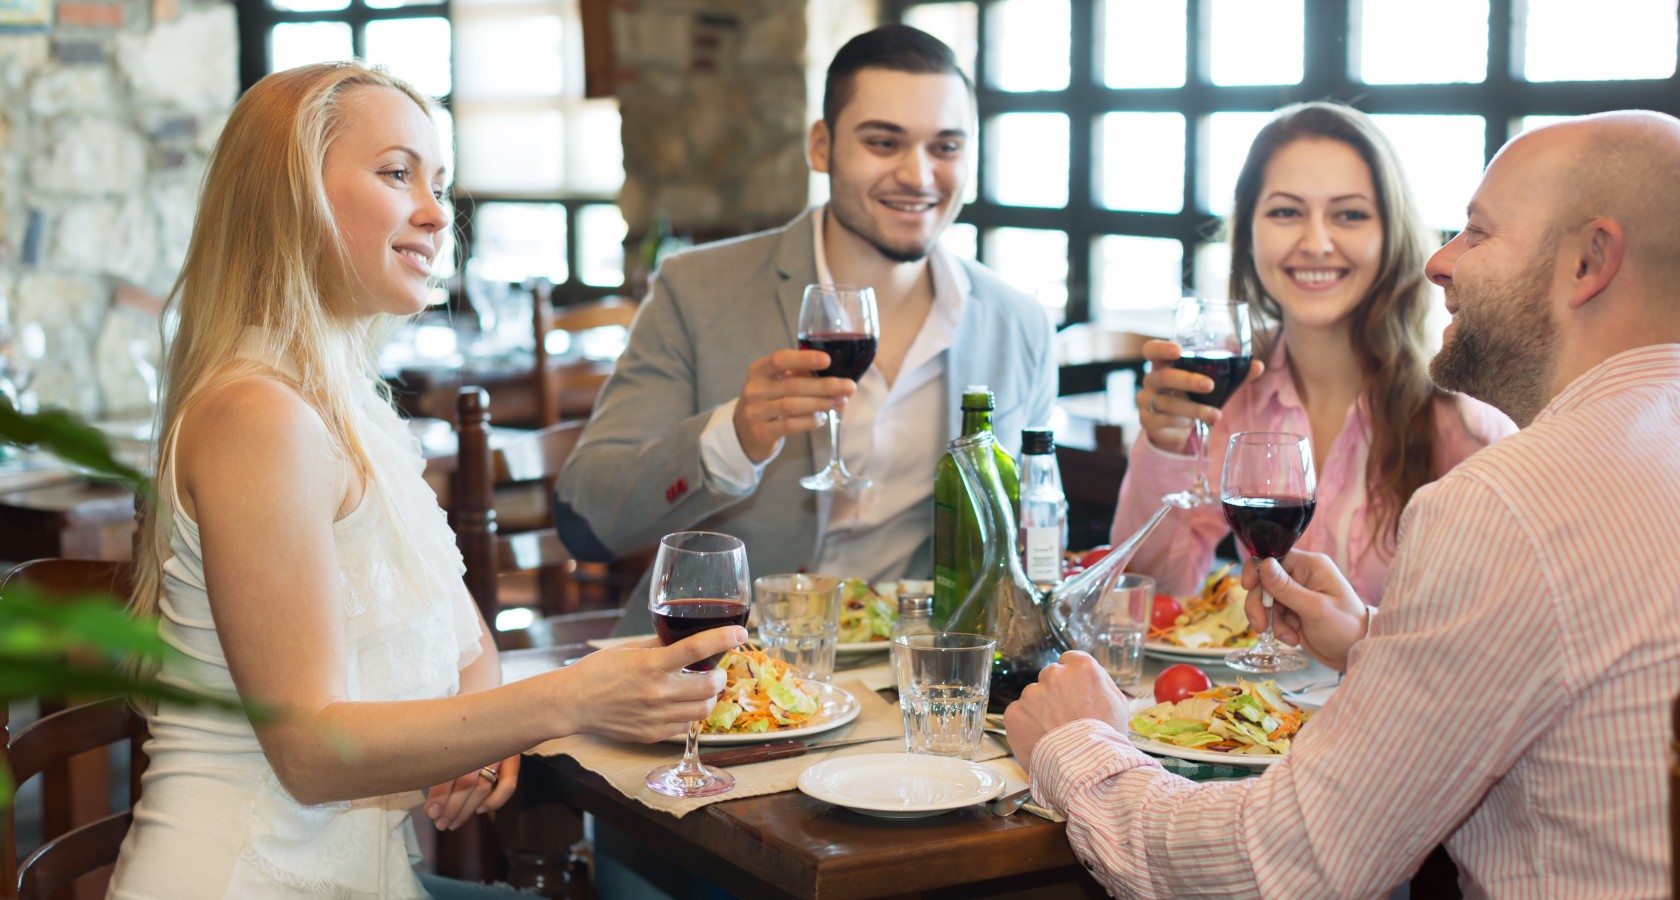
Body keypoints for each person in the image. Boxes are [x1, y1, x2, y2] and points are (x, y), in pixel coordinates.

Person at [108, 62, 744, 899]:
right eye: (396, 173)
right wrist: (567, 700)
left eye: (439, 183)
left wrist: (484, 731)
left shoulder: (349, 407)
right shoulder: (258, 417)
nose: (437, 215)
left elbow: (466, 640)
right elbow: (308, 752)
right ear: (289, 196)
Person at [1005, 110, 1680, 897]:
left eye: (1477, 232)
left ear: (1589, 261)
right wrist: (1370, 640)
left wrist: (1081, 746)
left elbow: (1283, 869)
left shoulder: (1503, 497)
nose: (1439, 260)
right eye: (1286, 210)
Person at [554, 24, 1056, 635]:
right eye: (883, 142)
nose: (919, 175)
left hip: (923, 683)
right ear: (821, 147)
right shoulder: (696, 289)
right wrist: (731, 438)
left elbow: (1034, 541)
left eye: (946, 147)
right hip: (723, 677)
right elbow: (587, 520)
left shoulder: (1020, 325)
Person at [1110, 102, 1514, 603]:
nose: (1316, 242)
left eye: (1349, 214)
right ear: (1249, 233)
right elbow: (1148, 599)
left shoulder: (1465, 420)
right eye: (1285, 212)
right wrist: (1164, 446)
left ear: (1391, 235)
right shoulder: (1225, 401)